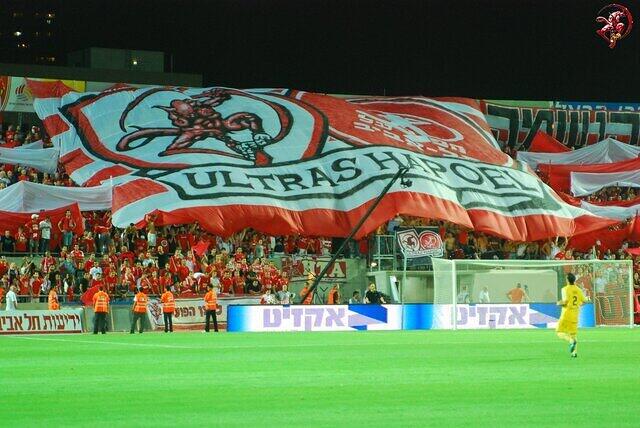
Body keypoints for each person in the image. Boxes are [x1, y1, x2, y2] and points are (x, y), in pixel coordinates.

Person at [556, 272, 589, 358]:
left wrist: (559, 303)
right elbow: (585, 301)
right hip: (575, 315)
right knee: (573, 335)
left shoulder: (565, 289)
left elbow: (565, 301)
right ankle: (574, 353)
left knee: (559, 332)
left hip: (566, 314)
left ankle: (570, 341)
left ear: (567, 280)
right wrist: (578, 305)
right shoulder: (578, 289)